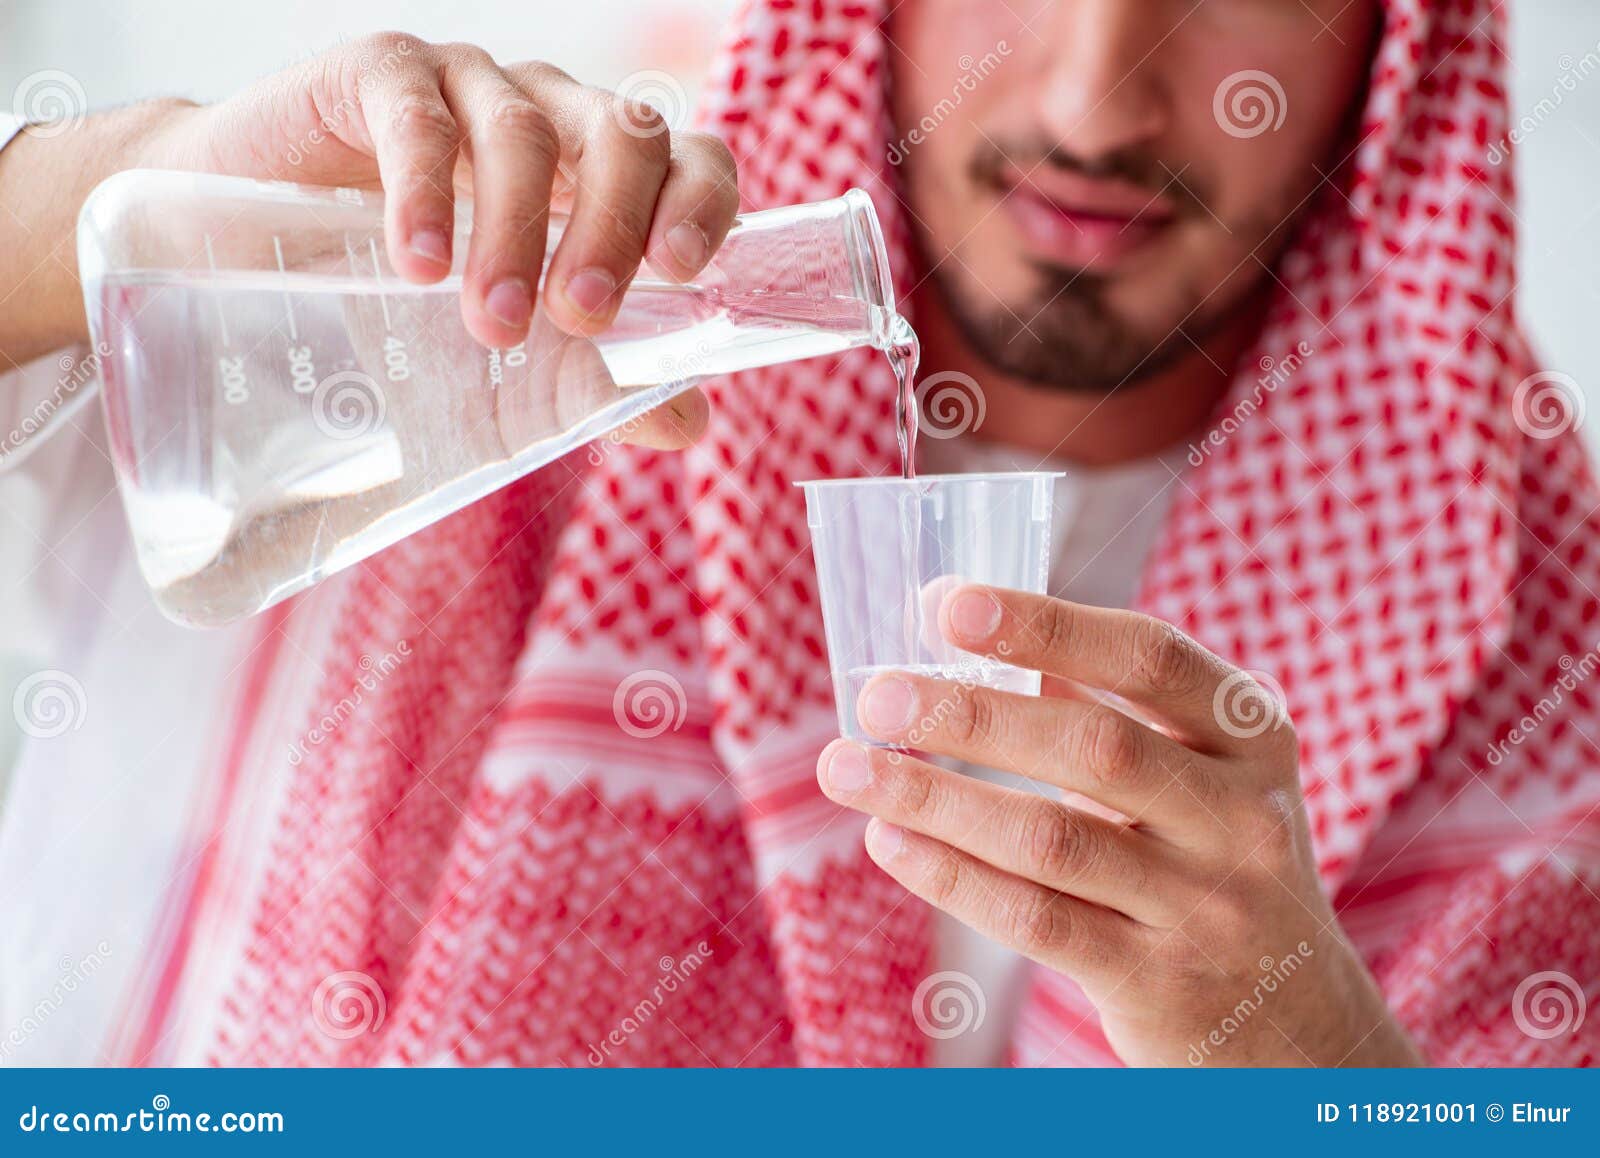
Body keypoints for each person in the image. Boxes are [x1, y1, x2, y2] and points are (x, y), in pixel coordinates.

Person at [0, 0, 1594, 1067]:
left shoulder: (1545, 646)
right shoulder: (473, 324)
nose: (1099, 97)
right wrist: (123, 199)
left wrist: (1317, 1067)